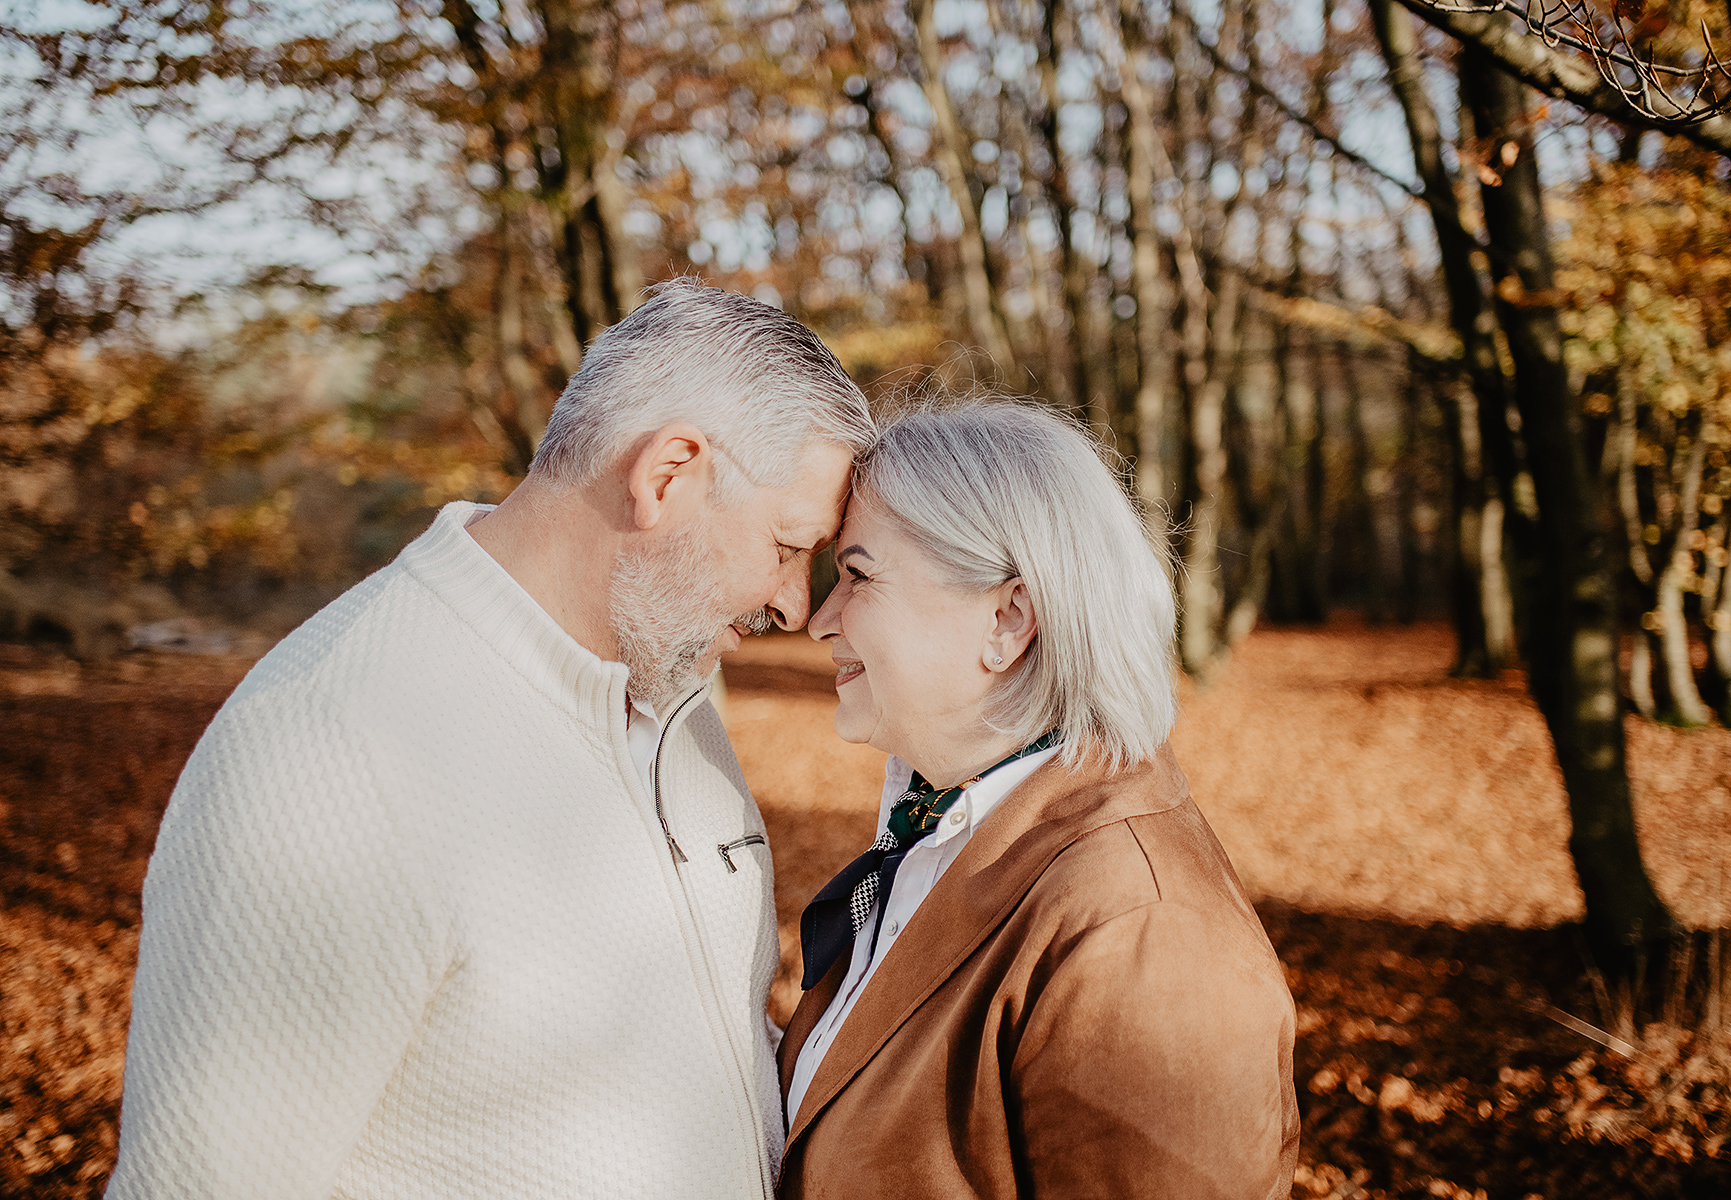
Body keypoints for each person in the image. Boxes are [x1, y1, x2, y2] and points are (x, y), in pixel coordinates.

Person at [107, 281, 876, 1200]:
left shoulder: (669, 694)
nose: (793, 605)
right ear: (667, 475)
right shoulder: (327, 753)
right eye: (788, 548)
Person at [778, 398, 1299, 1198]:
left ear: (1008, 617)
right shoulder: (943, 830)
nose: (820, 619)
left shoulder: (1140, 933)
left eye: (858, 576)